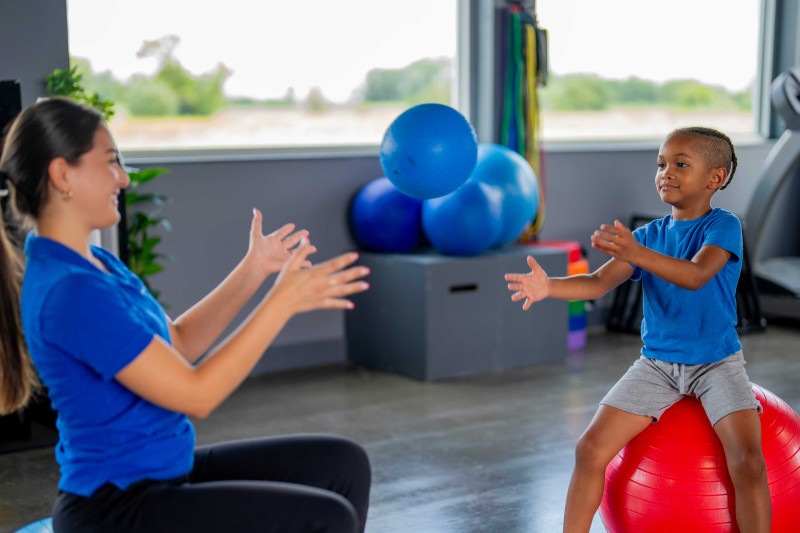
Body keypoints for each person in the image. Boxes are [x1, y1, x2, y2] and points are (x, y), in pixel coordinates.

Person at [0, 97, 372, 533]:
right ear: (63, 174)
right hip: (117, 509)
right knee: (324, 517)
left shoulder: (96, 265)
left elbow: (177, 343)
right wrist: (281, 303)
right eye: (110, 162)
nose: (122, 178)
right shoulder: (71, 291)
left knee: (341, 464)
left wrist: (253, 270)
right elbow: (197, 395)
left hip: (163, 474)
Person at [504, 126, 771, 533]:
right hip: (658, 366)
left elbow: (697, 274)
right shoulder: (648, 237)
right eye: (661, 164)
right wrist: (549, 287)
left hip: (717, 363)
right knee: (589, 449)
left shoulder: (723, 226)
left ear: (715, 178)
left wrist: (638, 253)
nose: (666, 172)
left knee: (748, 461)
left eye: (681, 164)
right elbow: (596, 282)